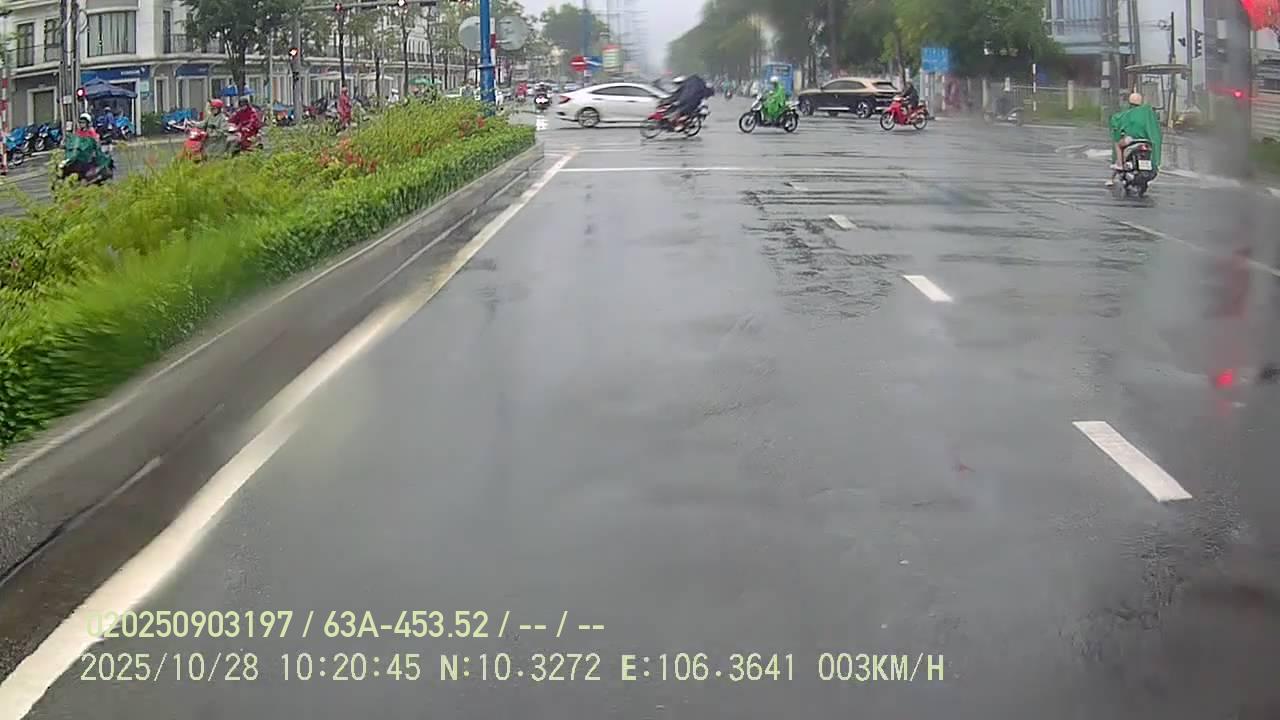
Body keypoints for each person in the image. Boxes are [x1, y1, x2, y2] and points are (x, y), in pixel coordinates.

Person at [1106, 91, 1162, 187]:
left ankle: (1119, 164)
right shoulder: (1147, 112)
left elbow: (1117, 122)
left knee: (1118, 144)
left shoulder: (1127, 114)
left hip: (1131, 139)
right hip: (1146, 140)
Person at [62, 113, 112, 181]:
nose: (81, 124)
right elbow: (75, 140)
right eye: (80, 122)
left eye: (83, 123)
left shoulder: (91, 131)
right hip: (80, 152)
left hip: (88, 152)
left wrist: (94, 142)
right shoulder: (78, 131)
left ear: (87, 123)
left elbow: (95, 141)